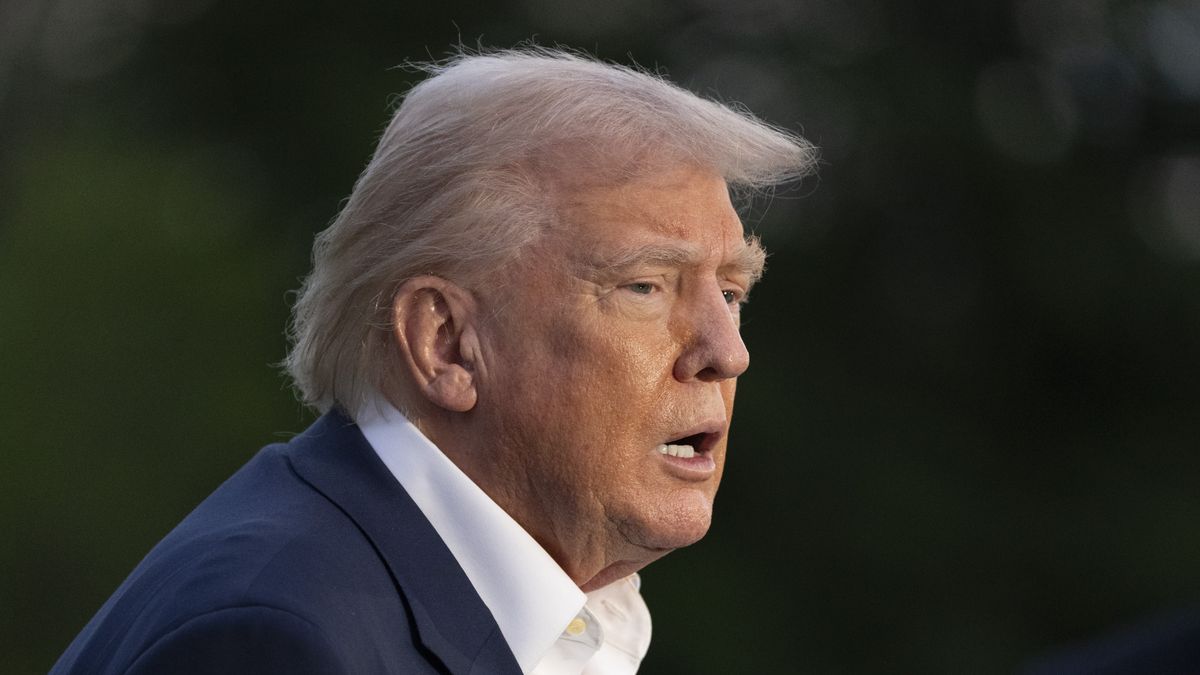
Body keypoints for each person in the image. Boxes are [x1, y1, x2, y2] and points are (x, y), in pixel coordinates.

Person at [51, 47, 816, 674]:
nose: (728, 351)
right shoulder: (279, 641)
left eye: (732, 289)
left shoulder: (543, 616)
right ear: (445, 342)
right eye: (646, 286)